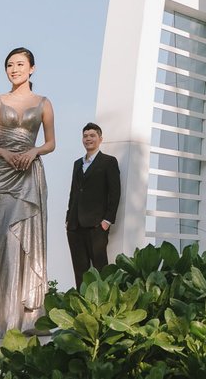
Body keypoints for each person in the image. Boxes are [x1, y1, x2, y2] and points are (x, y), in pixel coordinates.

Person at [0, 47, 56, 338]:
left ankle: (26, 318)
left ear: (32, 68)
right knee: (1, 236)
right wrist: (4, 153)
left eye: (20, 64)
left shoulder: (43, 103)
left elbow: (51, 143)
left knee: (25, 242)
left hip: (30, 174)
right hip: (2, 176)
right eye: (9, 65)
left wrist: (35, 151)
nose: (14, 69)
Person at [65, 122, 120, 287]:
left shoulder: (108, 162)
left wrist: (107, 221)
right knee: (79, 270)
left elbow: (115, 192)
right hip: (75, 225)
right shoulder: (77, 164)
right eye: (85, 136)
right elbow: (74, 192)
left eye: (92, 136)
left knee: (100, 268)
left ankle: (103, 305)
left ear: (100, 139)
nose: (88, 139)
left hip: (96, 225)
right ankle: (81, 306)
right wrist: (68, 218)